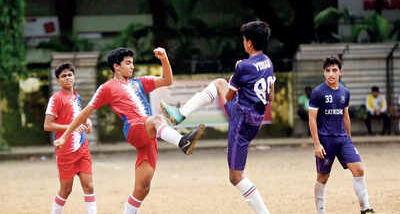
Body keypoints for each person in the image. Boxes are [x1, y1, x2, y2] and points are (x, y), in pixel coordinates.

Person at [53, 47, 204, 214]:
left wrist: (164, 59)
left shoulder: (139, 82)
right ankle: (183, 142)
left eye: (132, 63)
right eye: (128, 63)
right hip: (134, 129)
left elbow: (167, 80)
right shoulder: (106, 88)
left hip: (149, 134)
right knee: (157, 119)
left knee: (143, 188)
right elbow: (84, 113)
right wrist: (65, 136)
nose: (132, 66)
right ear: (116, 66)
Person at [161, 21, 274, 214]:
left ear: (249, 43)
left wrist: (235, 77)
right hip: (255, 117)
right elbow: (270, 96)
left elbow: (228, 97)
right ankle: (180, 114)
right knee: (219, 83)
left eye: (244, 39)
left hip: (241, 119)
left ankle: (180, 114)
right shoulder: (268, 62)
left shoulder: (244, 66)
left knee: (235, 177)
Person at [308, 56, 379, 214]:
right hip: (325, 141)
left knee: (359, 170)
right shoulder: (317, 92)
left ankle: (365, 209)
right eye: (327, 71)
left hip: (343, 139)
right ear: (323, 73)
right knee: (322, 178)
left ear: (340, 72)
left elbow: (345, 116)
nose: (331, 74)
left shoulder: (345, 92)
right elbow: (311, 119)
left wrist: (349, 139)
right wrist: (317, 144)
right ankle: (321, 212)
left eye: (334, 70)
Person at [44, 63, 97, 214]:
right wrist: (70, 127)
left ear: (74, 77)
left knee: (89, 186)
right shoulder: (55, 99)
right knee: (66, 189)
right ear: (58, 80)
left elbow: (80, 118)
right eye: (63, 76)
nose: (67, 78)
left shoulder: (77, 97)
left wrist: (88, 122)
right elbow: (47, 125)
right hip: (65, 150)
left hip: (82, 148)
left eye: (70, 75)